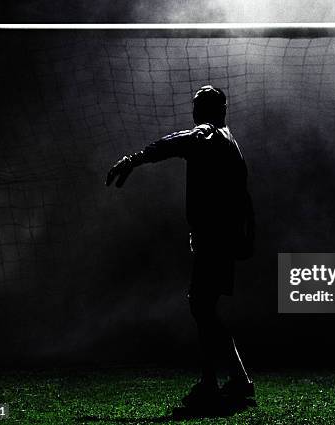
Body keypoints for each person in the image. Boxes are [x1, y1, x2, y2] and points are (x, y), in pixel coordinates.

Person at [105, 85, 255, 408]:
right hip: (219, 238)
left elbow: (180, 142)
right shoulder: (231, 143)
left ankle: (216, 384)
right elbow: (243, 199)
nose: (195, 113)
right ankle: (233, 381)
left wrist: (135, 159)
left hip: (215, 238)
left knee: (201, 306)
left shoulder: (209, 135)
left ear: (211, 112)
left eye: (199, 107)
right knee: (204, 308)